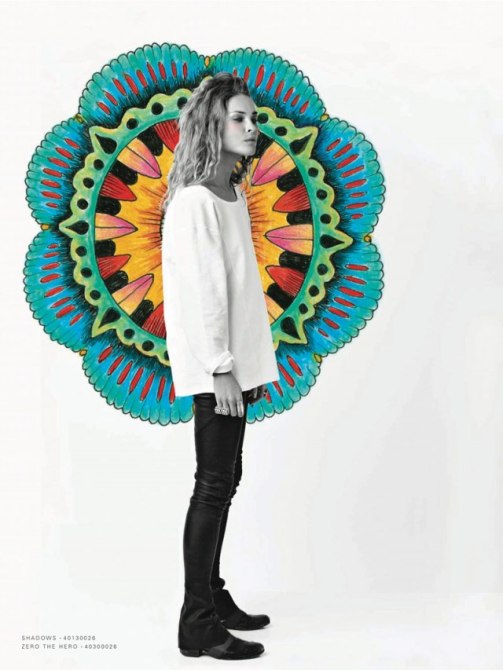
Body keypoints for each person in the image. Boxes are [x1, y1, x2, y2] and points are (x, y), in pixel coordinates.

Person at [161, 73, 280, 660]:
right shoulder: (195, 202)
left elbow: (235, 288)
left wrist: (245, 364)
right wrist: (221, 367)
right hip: (218, 370)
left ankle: (211, 594)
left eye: (253, 118)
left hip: (234, 366)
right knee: (212, 485)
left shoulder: (228, 196)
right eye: (239, 117)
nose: (252, 127)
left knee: (225, 480)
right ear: (213, 124)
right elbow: (201, 291)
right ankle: (197, 622)